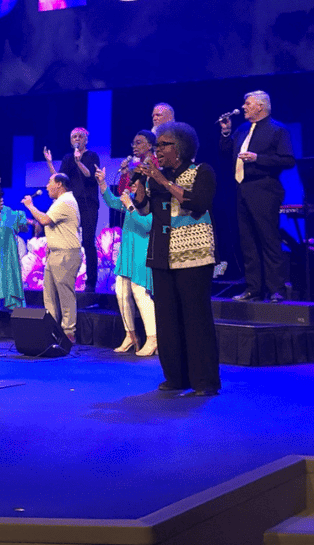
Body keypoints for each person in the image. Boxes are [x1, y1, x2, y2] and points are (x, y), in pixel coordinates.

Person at [133, 121, 221, 395]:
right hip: (162, 254)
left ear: (180, 147)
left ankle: (204, 381)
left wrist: (162, 181)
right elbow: (146, 209)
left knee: (196, 319)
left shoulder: (201, 171)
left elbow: (198, 203)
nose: (157, 150)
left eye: (163, 145)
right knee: (167, 319)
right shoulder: (156, 176)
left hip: (193, 256)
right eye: (157, 146)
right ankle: (176, 377)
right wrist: (140, 185)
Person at [219, 91, 296, 303]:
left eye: (248, 104)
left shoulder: (277, 130)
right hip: (242, 190)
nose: (243, 107)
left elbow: (288, 160)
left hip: (265, 189)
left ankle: (276, 289)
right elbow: (226, 154)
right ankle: (253, 289)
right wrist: (226, 133)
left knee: (269, 239)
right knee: (248, 241)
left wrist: (257, 158)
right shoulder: (243, 130)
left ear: (260, 107)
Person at [95, 154, 157, 356]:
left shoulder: (152, 200)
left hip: (142, 250)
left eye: (134, 182)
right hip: (127, 251)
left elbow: (147, 226)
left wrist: (130, 206)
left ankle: (153, 338)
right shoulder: (129, 198)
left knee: (140, 293)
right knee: (121, 293)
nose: (131, 185)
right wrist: (103, 184)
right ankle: (130, 335)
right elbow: (113, 202)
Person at [23, 174, 82, 343]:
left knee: (65, 294)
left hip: (66, 254)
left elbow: (44, 220)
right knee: (48, 294)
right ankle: (52, 330)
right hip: (56, 253)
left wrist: (30, 206)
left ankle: (68, 332)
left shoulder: (65, 201)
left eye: (50, 183)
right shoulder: (60, 202)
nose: (47, 186)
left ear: (60, 184)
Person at [44, 128, 100, 292]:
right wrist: (49, 162)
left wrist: (79, 162)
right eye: (74, 137)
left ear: (86, 140)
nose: (77, 139)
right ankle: (68, 279)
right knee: (69, 241)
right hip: (71, 205)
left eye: (80, 136)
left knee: (88, 242)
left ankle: (91, 283)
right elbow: (59, 179)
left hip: (89, 204)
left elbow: (90, 175)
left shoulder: (92, 156)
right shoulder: (68, 158)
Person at [0, 197, 30, 339]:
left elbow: (23, 225)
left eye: (2, 197)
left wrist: (31, 221)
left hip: (0, 260)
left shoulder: (8, 214)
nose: (1, 200)